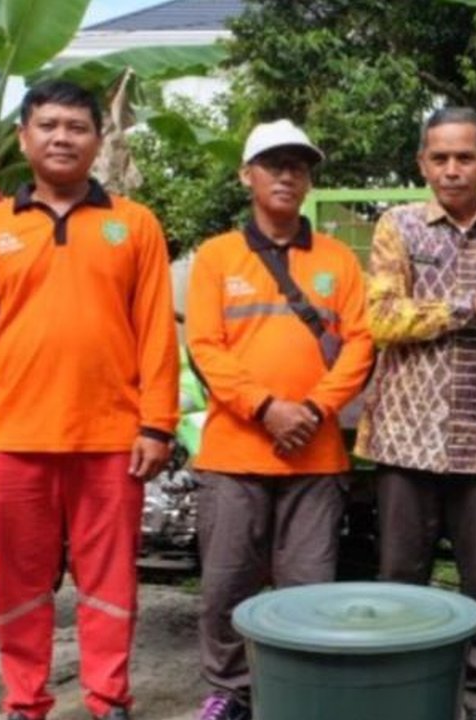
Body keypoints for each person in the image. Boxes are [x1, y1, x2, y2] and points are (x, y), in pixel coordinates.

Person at [0, 80, 179, 720]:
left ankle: (108, 699)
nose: (62, 137)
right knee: (18, 585)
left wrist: (157, 424)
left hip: (111, 441)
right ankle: (26, 701)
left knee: (110, 582)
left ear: (99, 140)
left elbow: (156, 332)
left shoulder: (136, 226)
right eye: (48, 125)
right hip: (12, 439)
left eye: (77, 126)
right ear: (24, 137)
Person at [353, 106, 476, 720]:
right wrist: (471, 303)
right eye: (440, 158)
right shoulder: (398, 227)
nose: (452, 170)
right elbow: (380, 320)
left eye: (465, 157)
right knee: (400, 576)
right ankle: (402, 697)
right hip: (406, 436)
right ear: (422, 163)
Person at [185, 120, 373, 720]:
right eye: (273, 163)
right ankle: (229, 693)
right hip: (234, 455)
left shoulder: (339, 260)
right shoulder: (216, 257)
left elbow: (361, 345)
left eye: (298, 165)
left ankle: (299, 695)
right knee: (224, 587)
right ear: (248, 176)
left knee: (309, 590)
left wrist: (314, 410)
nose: (287, 175)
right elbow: (206, 348)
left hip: (315, 458)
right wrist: (266, 409)